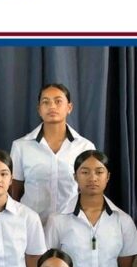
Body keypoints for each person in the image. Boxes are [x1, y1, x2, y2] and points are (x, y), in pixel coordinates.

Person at [44, 150, 137, 267]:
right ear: (75, 176)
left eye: (99, 172)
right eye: (85, 172)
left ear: (108, 177)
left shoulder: (123, 220)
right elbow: (47, 262)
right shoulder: (58, 220)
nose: (92, 178)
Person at [8, 83, 97, 223]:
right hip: (32, 225)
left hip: (71, 225)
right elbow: (15, 192)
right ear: (39, 109)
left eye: (58, 101)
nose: (52, 106)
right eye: (46, 102)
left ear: (69, 108)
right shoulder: (21, 146)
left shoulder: (85, 147)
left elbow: (89, 191)